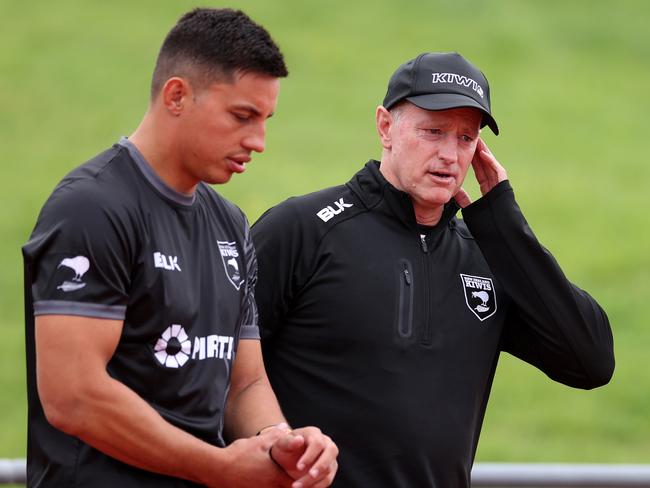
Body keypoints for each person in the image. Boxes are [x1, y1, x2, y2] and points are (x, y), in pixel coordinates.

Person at [251, 52, 614, 487]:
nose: (448, 154)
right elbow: (222, 376)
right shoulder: (302, 230)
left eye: (466, 138)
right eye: (433, 131)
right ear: (385, 126)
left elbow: (590, 362)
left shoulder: (489, 257)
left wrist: (503, 223)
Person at [22, 8, 337, 488]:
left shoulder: (229, 224)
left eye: (266, 119)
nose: (259, 141)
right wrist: (220, 468)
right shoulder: (91, 207)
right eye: (242, 116)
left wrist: (279, 442)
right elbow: (73, 397)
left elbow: (243, 383)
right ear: (176, 95)